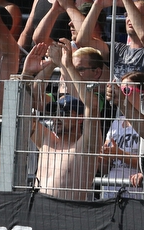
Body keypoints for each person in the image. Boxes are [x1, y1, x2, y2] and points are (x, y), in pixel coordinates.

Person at [29, 39, 102, 201]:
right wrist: (34, 72)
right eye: (57, 111)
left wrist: (66, 64)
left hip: (68, 220)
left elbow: (92, 106)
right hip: (36, 216)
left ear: (80, 119)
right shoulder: (47, 141)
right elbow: (25, 106)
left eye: (66, 112)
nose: (58, 116)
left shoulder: (85, 147)